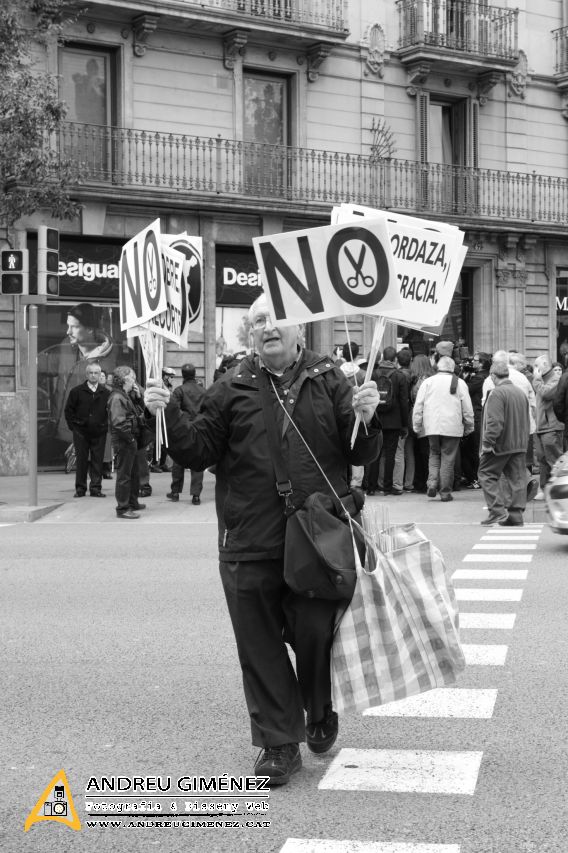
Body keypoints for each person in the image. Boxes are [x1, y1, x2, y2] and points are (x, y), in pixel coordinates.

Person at [144, 293, 381, 785]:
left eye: (276, 320)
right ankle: (279, 744)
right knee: (260, 645)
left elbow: (360, 452)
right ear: (249, 336)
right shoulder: (230, 386)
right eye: (257, 322)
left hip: (318, 537)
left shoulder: (330, 378)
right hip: (248, 537)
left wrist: (368, 415)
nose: (267, 328)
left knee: (317, 632)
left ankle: (318, 706)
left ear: (300, 330)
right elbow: (198, 450)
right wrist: (163, 415)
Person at [38, 302, 133, 452]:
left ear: (89, 329)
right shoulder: (65, 346)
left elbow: (126, 383)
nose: (68, 331)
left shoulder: (113, 354)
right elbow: (47, 366)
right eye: (68, 326)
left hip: (94, 430)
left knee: (92, 466)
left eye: (74, 326)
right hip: (63, 430)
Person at [412, 356, 474, 501]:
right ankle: (445, 491)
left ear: (438, 367)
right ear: (452, 368)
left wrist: (417, 424)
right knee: (448, 458)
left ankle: (432, 483)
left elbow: (418, 405)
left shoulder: (428, 382)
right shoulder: (460, 383)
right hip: (452, 426)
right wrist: (469, 425)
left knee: (434, 454)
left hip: (432, 426)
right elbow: (467, 408)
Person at [478, 360, 530, 526]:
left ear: (493, 376)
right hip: (519, 442)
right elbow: (527, 419)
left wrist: (487, 443)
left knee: (486, 474)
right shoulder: (519, 392)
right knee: (517, 478)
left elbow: (494, 422)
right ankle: (515, 514)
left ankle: (497, 511)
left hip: (501, 444)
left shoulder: (497, 393)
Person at [365, 345, 409, 496]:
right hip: (394, 421)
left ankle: (371, 487)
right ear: (395, 358)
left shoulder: (374, 374)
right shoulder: (399, 376)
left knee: (375, 453)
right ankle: (387, 487)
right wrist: (404, 424)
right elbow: (404, 402)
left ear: (383, 357)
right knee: (390, 454)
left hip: (375, 418)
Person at [63, 361, 110, 498]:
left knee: (97, 461)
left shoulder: (105, 392)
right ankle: (80, 489)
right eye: (91, 373)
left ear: (100, 374)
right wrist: (74, 427)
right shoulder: (76, 391)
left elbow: (110, 412)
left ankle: (96, 488)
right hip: (81, 432)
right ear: (86, 374)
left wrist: (104, 426)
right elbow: (68, 411)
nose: (93, 375)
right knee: (82, 461)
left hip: (99, 432)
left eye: (96, 373)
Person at [107, 366, 146, 520]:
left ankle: (132, 501)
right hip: (124, 440)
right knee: (124, 475)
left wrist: (137, 397)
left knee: (134, 473)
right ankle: (122, 508)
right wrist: (130, 439)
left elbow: (138, 411)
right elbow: (118, 423)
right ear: (124, 379)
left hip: (130, 438)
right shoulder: (117, 397)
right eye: (132, 377)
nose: (134, 380)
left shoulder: (125, 395)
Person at [167, 363, 206, 504]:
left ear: (182, 375)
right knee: (198, 461)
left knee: (179, 461)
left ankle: (175, 491)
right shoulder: (203, 390)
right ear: (195, 374)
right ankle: (196, 495)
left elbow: (174, 409)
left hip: (183, 428)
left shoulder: (179, 391)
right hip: (199, 428)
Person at [532, 354, 564, 499]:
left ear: (544, 365)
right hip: (542, 426)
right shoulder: (543, 380)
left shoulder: (556, 379)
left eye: (536, 365)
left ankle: (561, 491)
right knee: (543, 460)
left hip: (551, 426)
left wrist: (537, 379)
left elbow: (546, 393)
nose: (535, 369)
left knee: (555, 460)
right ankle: (545, 489)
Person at [461, 351, 491, 489]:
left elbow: (465, 390)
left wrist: (464, 378)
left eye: (475, 360)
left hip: (476, 415)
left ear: (482, 363)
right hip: (479, 414)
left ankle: (475, 478)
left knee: (472, 449)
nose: (473, 362)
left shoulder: (479, 378)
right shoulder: (485, 376)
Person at [339, 342, 366, 489]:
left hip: (340, 412)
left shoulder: (336, 372)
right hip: (357, 413)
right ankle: (356, 481)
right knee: (357, 445)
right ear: (357, 354)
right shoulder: (362, 374)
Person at [408, 354, 435, 492]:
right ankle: (423, 482)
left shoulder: (421, 381)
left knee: (423, 452)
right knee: (424, 452)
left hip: (422, 419)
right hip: (429, 419)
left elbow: (418, 402)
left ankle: (423, 483)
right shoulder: (429, 379)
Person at [392, 348, 414, 493]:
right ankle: (407, 482)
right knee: (408, 451)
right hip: (408, 417)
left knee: (395, 452)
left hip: (397, 418)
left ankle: (393, 482)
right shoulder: (414, 376)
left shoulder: (397, 375)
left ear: (397, 360)